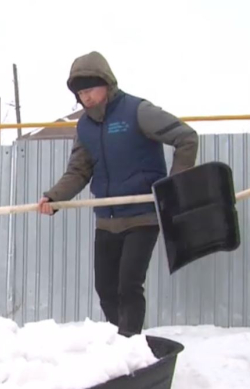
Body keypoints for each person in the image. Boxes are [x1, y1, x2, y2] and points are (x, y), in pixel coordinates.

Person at [38, 51, 198, 338]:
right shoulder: (84, 127)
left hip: (142, 216)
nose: (85, 97)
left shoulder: (137, 111)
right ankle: (125, 340)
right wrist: (54, 198)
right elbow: (78, 171)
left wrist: (176, 186)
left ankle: (130, 346)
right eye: (80, 93)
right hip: (107, 219)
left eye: (90, 89)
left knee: (129, 285)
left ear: (107, 83)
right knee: (106, 289)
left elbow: (186, 137)